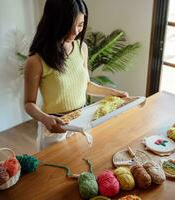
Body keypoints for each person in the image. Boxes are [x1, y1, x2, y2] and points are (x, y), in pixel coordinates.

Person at [24, 0, 128, 150]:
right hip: (55, 127)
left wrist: (114, 93)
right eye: (68, 26)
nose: (75, 32)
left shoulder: (81, 48)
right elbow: (28, 103)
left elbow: (86, 85)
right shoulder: (36, 61)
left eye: (80, 25)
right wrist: (45, 119)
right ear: (54, 23)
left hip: (82, 120)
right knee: (55, 171)